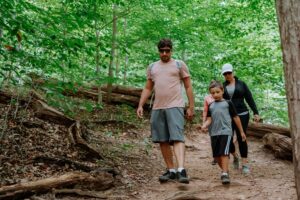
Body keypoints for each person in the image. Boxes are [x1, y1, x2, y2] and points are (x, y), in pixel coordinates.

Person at [136, 38, 194, 184]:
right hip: (158, 107)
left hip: (175, 106)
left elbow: (188, 86)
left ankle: (181, 170)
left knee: (177, 137)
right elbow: (148, 87)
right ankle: (171, 170)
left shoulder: (179, 65)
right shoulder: (152, 67)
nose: (164, 53)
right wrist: (140, 105)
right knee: (162, 139)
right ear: (158, 51)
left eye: (167, 51)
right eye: (162, 51)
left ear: (171, 51)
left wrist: (191, 106)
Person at [201, 80, 246, 184]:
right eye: (213, 93)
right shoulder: (211, 105)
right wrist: (204, 125)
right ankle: (225, 171)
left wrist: (241, 131)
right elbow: (209, 119)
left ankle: (224, 173)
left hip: (226, 131)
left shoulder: (228, 103)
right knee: (216, 156)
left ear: (222, 91)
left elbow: (235, 117)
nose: (215, 94)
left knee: (224, 153)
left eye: (217, 92)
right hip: (214, 133)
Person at [221, 63, 261, 174]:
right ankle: (235, 156)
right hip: (228, 115)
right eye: (225, 74)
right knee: (228, 138)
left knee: (241, 137)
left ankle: (245, 164)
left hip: (242, 113)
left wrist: (256, 112)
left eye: (229, 73)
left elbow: (249, 98)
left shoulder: (242, 84)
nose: (227, 75)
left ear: (233, 72)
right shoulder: (222, 86)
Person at [202, 94, 217, 165]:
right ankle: (215, 157)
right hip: (210, 120)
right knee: (213, 139)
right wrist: (204, 122)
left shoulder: (222, 95)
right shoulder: (207, 97)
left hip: (222, 121)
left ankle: (224, 156)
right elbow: (205, 110)